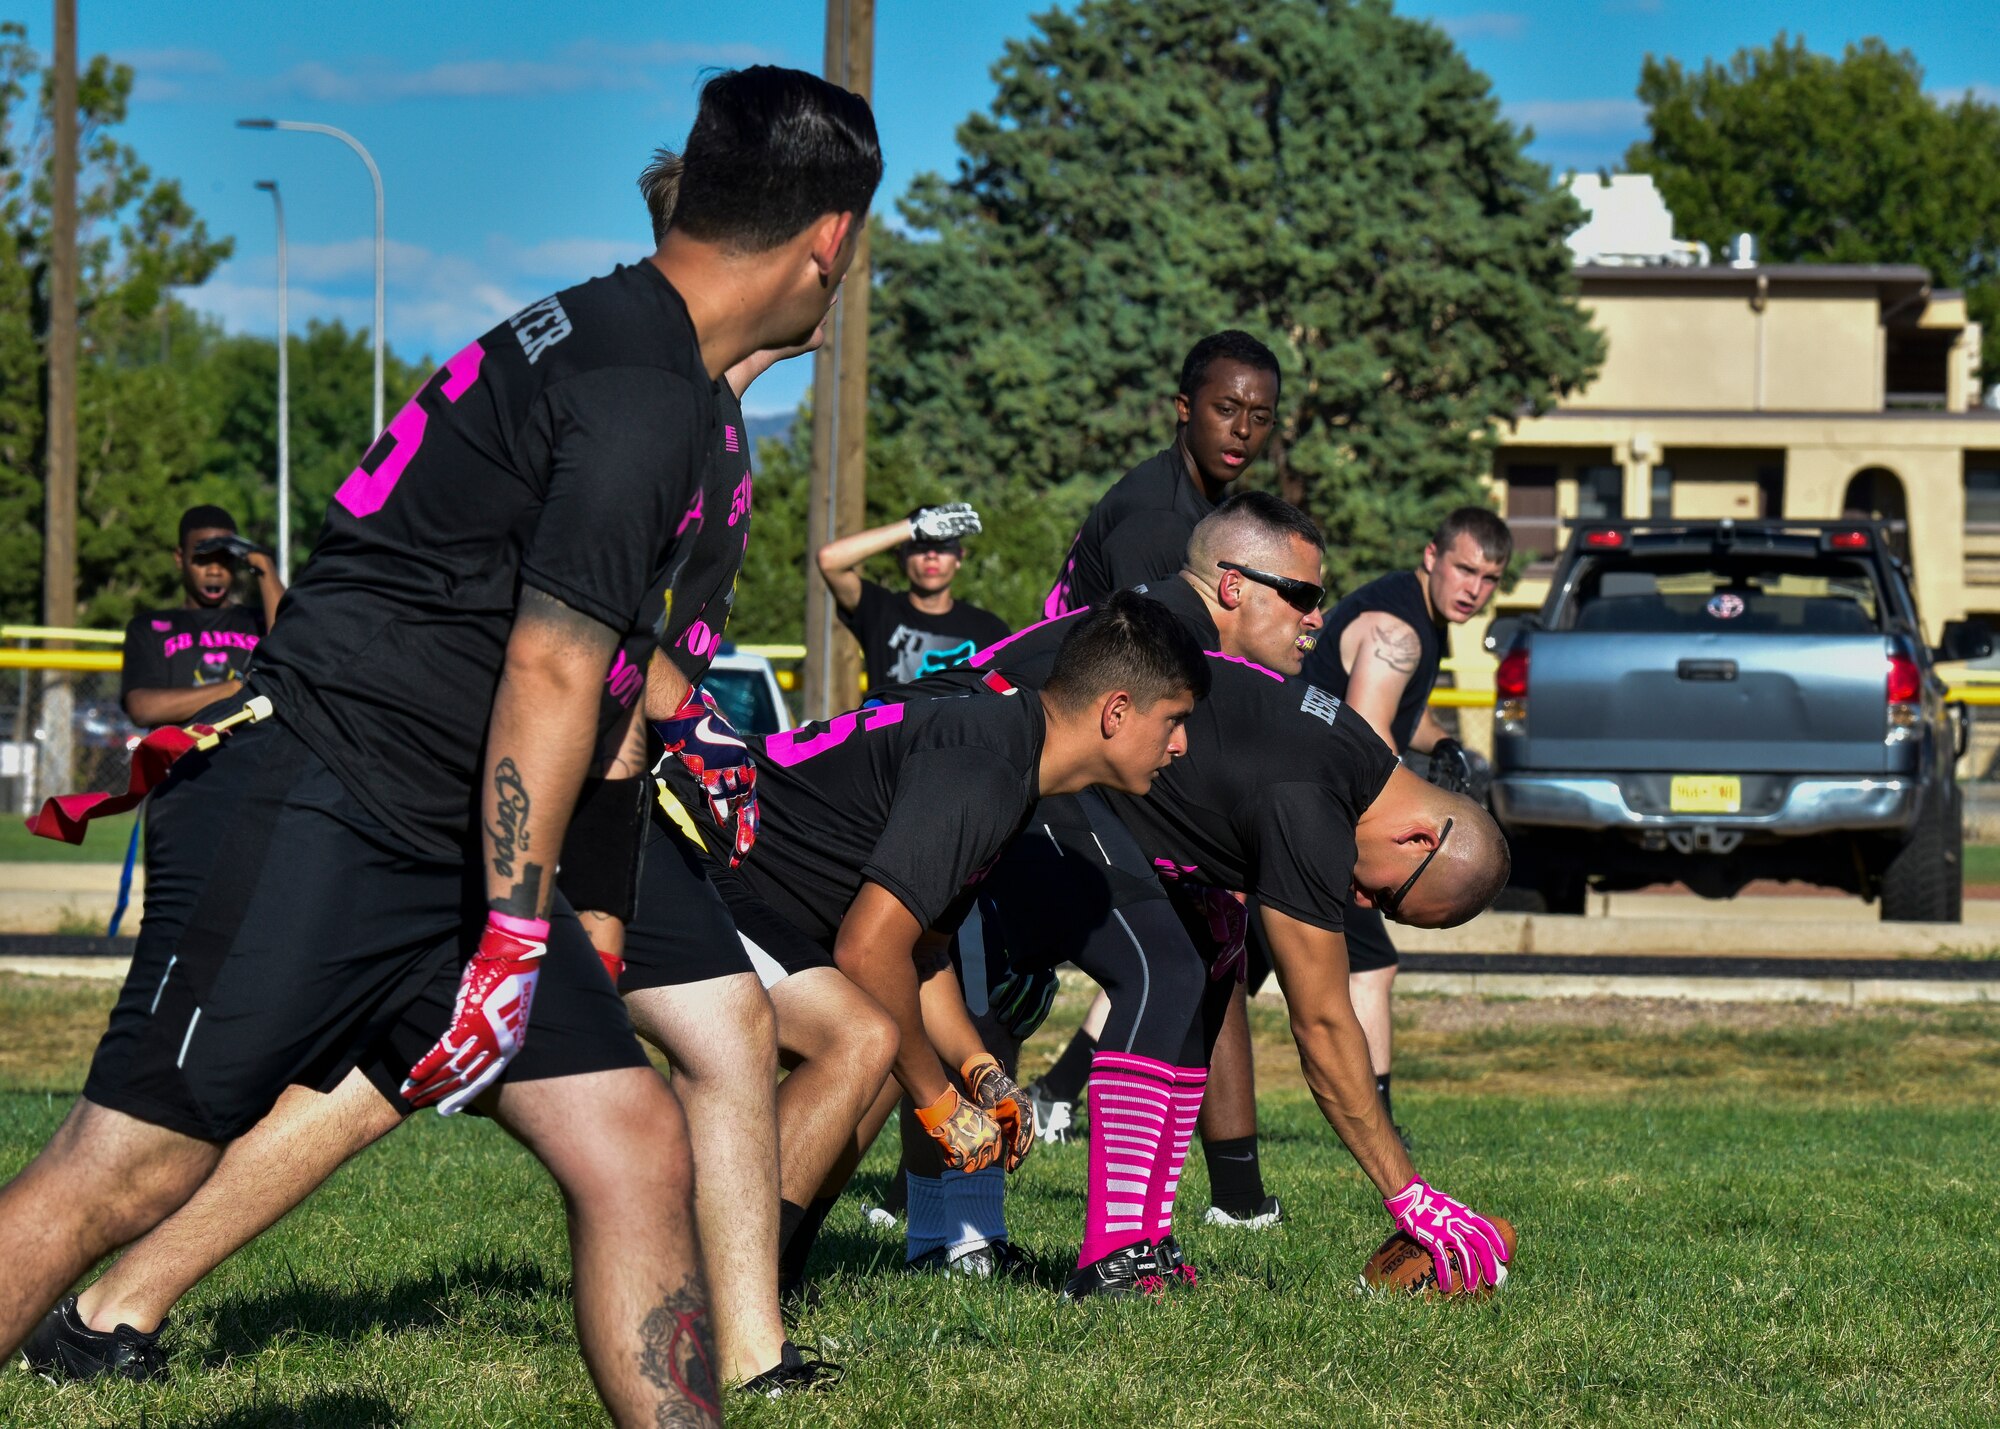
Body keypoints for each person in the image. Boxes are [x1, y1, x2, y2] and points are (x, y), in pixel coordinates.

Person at [5, 66, 880, 1427]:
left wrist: (547, 906)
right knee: (119, 1172)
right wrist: (524, 939)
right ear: (832, 240)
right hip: (324, 800)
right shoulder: (646, 388)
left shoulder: (618, 334)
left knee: (634, 1144)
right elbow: (550, 661)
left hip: (449, 833)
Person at [919, 494, 1512, 1298]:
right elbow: (1324, 1022)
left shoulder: (1323, 746)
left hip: (1008, 754)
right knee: (1150, 962)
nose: (1366, 905)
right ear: (1416, 840)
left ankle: (1096, 1241)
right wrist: (1409, 1191)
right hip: (977, 748)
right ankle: (1082, 1250)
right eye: (1391, 897)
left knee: (1189, 950)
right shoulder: (1313, 795)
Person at [665, 592, 1209, 1295]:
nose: (1182, 745)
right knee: (859, 1041)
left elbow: (921, 954)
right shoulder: (987, 766)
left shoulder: (1010, 756)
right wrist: (938, 1101)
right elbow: (868, 950)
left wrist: (978, 1068)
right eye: (1175, 720)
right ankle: (722, 1285)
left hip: (734, 875)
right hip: (686, 852)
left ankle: (766, 1271)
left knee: (869, 1046)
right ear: (1116, 711)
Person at [1028, 328, 1283, 1141]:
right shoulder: (1155, 517)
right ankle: (934, 1186)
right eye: (1225, 408)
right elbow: (1146, 674)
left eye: (1260, 415)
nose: (1242, 428)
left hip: (1115, 735)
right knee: (1021, 972)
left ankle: (1235, 1193)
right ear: (1184, 409)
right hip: (1065, 743)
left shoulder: (1214, 514)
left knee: (1214, 942)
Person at [118, 505, 285, 730]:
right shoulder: (148, 627)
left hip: (252, 758)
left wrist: (263, 563)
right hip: (182, 761)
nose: (215, 570)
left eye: (224, 559)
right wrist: (236, 689)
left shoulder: (258, 621)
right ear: (180, 558)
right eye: (203, 560)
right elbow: (143, 708)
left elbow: (290, 643)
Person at [817, 505, 1011, 692]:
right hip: (893, 727)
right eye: (920, 545)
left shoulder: (990, 629)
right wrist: (912, 527)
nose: (931, 555)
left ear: (959, 557)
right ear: (901, 557)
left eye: (942, 546)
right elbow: (829, 560)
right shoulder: (879, 610)